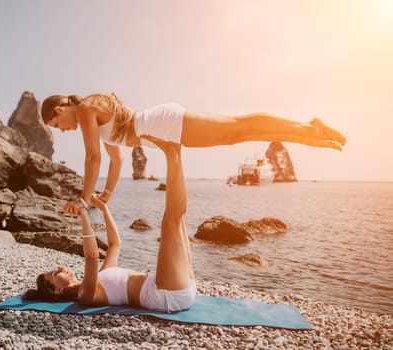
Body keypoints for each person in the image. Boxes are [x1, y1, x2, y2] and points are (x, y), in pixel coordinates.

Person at [40, 93, 346, 213]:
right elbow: (114, 158)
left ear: (59, 109)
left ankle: (307, 128)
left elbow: (92, 158)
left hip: (162, 123)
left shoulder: (85, 109)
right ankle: (306, 132)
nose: (64, 130)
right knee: (234, 135)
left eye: (57, 124)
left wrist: (82, 199)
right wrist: (105, 194)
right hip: (162, 129)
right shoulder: (91, 115)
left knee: (236, 128)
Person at [24, 137, 196, 313]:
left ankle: (176, 151)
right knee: (170, 221)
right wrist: (83, 213)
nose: (59, 268)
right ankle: (171, 153)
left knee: (178, 218)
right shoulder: (85, 295)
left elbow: (115, 244)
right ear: (58, 290)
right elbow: (91, 258)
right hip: (165, 294)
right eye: (54, 273)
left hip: (174, 287)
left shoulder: (100, 276)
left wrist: (105, 210)